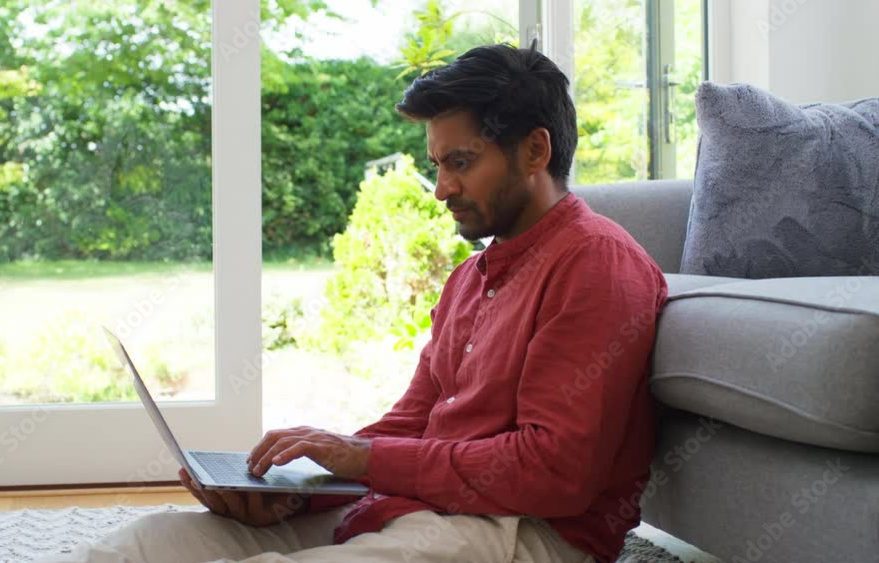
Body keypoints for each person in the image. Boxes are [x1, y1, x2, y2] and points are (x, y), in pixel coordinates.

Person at [37, 41, 668, 563]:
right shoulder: (471, 277)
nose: (442, 188)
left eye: (461, 162)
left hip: (524, 532)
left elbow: (553, 472)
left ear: (534, 150)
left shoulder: (595, 264)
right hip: (420, 511)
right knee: (136, 549)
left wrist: (361, 458)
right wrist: (293, 493)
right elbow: (410, 423)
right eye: (438, 164)